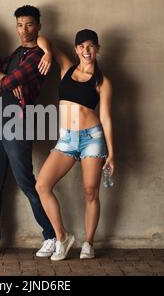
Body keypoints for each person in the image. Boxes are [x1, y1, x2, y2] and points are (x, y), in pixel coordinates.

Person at [0, 5, 57, 257]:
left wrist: (3, 81)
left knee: (26, 182)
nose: (24, 30)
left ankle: (52, 235)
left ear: (39, 26)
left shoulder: (38, 56)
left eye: (29, 24)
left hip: (18, 123)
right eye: (20, 25)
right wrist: (1, 76)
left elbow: (8, 82)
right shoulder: (17, 52)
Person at [35, 29, 115, 261]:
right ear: (76, 49)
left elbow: (107, 118)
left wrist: (112, 153)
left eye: (91, 46)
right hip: (66, 139)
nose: (86, 50)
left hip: (92, 139)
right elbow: (43, 38)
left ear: (97, 48)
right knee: (42, 185)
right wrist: (48, 52)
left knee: (90, 192)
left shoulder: (102, 81)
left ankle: (89, 243)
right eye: (81, 46)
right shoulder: (66, 67)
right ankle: (62, 238)